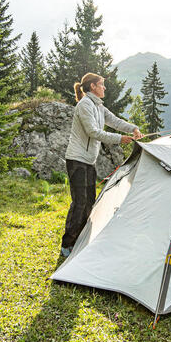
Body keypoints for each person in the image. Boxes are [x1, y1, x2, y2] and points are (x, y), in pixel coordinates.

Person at [60, 72, 142, 257]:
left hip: (89, 161)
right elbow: (93, 132)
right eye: (102, 84)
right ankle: (67, 244)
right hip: (77, 160)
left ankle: (79, 241)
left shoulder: (98, 106)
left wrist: (133, 128)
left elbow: (114, 121)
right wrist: (120, 139)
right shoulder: (84, 106)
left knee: (89, 202)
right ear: (92, 87)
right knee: (80, 203)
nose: (104, 87)